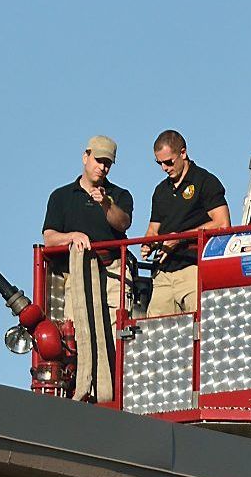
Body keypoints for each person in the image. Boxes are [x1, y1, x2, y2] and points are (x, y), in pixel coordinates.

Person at [42, 134, 133, 345]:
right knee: (78, 337)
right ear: (85, 157)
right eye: (98, 160)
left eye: (107, 163)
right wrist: (73, 236)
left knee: (115, 339)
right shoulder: (61, 196)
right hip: (76, 275)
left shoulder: (119, 195)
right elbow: (49, 238)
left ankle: (111, 377)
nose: (102, 167)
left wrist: (106, 204)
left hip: (113, 273)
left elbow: (123, 223)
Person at [141, 130, 230, 317]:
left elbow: (223, 224)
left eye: (168, 162)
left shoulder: (205, 181)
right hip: (163, 272)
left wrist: (180, 239)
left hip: (194, 267)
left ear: (183, 153)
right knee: (155, 333)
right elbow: (153, 230)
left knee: (201, 328)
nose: (164, 168)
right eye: (159, 163)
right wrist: (148, 244)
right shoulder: (160, 191)